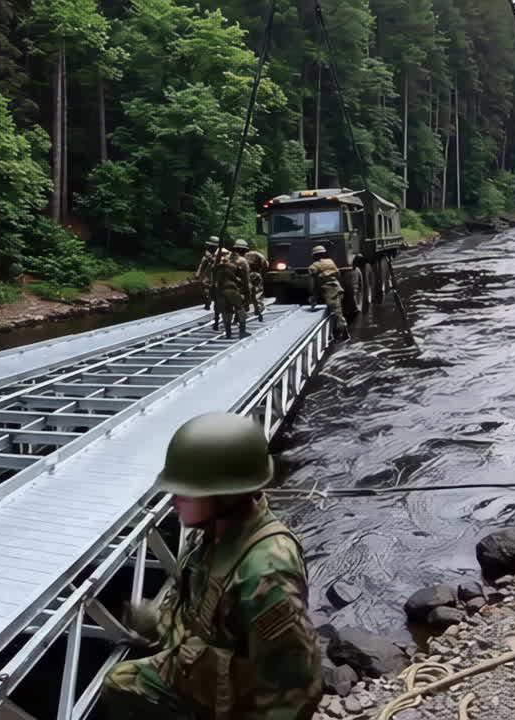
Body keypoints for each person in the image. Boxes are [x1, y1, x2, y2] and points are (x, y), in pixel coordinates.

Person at [101, 412, 323, 720]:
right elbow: (204, 616)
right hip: (209, 673)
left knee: (120, 683)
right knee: (121, 683)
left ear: (225, 495)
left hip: (237, 700)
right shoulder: (211, 535)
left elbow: (295, 686)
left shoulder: (267, 571)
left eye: (187, 492)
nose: (174, 501)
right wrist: (158, 627)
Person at [211, 243, 252, 339]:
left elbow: (213, 277)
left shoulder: (218, 265)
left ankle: (228, 334)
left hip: (221, 291)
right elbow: (244, 279)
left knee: (226, 312)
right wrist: (247, 294)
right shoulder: (238, 264)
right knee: (240, 309)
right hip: (233, 290)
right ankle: (242, 332)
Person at [308, 245, 347, 340]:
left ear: (314, 256)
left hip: (329, 293)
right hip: (337, 289)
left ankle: (342, 335)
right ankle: (341, 333)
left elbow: (313, 284)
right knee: (337, 311)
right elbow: (338, 275)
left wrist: (313, 297)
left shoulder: (314, 266)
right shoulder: (330, 262)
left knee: (335, 313)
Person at [238, 239, 268, 322]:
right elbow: (265, 266)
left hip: (253, 277)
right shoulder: (239, 258)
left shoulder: (255, 255)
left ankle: (256, 309)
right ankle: (255, 309)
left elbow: (265, 265)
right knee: (252, 296)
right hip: (247, 278)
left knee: (254, 295)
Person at [197, 236, 221, 312]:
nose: (210, 247)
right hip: (209, 275)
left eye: (211, 245)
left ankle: (213, 304)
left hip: (217, 275)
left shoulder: (220, 253)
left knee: (215, 291)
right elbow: (202, 264)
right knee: (207, 290)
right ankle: (208, 303)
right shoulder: (208, 254)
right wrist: (198, 273)